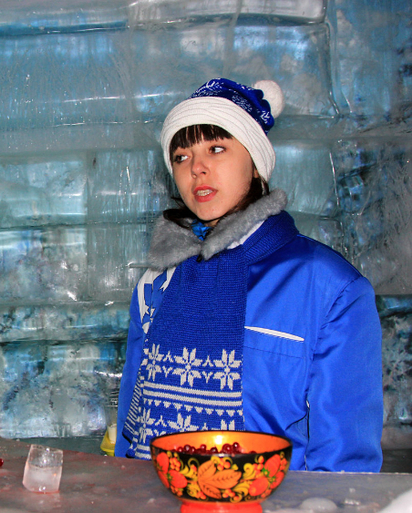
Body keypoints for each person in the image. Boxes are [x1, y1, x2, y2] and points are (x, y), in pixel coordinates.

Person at [115, 78, 383, 472]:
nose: (197, 168)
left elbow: (346, 462)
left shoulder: (329, 287)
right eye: (181, 157)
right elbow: (131, 428)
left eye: (217, 148)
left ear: (256, 165)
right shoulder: (157, 283)